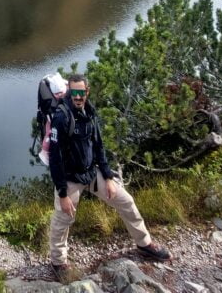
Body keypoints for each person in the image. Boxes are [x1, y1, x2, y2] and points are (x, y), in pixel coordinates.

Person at [48, 73, 170, 281]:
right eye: (74, 92)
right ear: (70, 91)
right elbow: (54, 157)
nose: (78, 97)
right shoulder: (62, 116)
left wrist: (108, 176)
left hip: (90, 172)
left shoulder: (90, 112)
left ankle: (144, 244)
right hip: (69, 178)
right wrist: (62, 194)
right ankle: (58, 262)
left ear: (87, 92)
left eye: (82, 92)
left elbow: (98, 146)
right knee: (63, 218)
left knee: (126, 201)